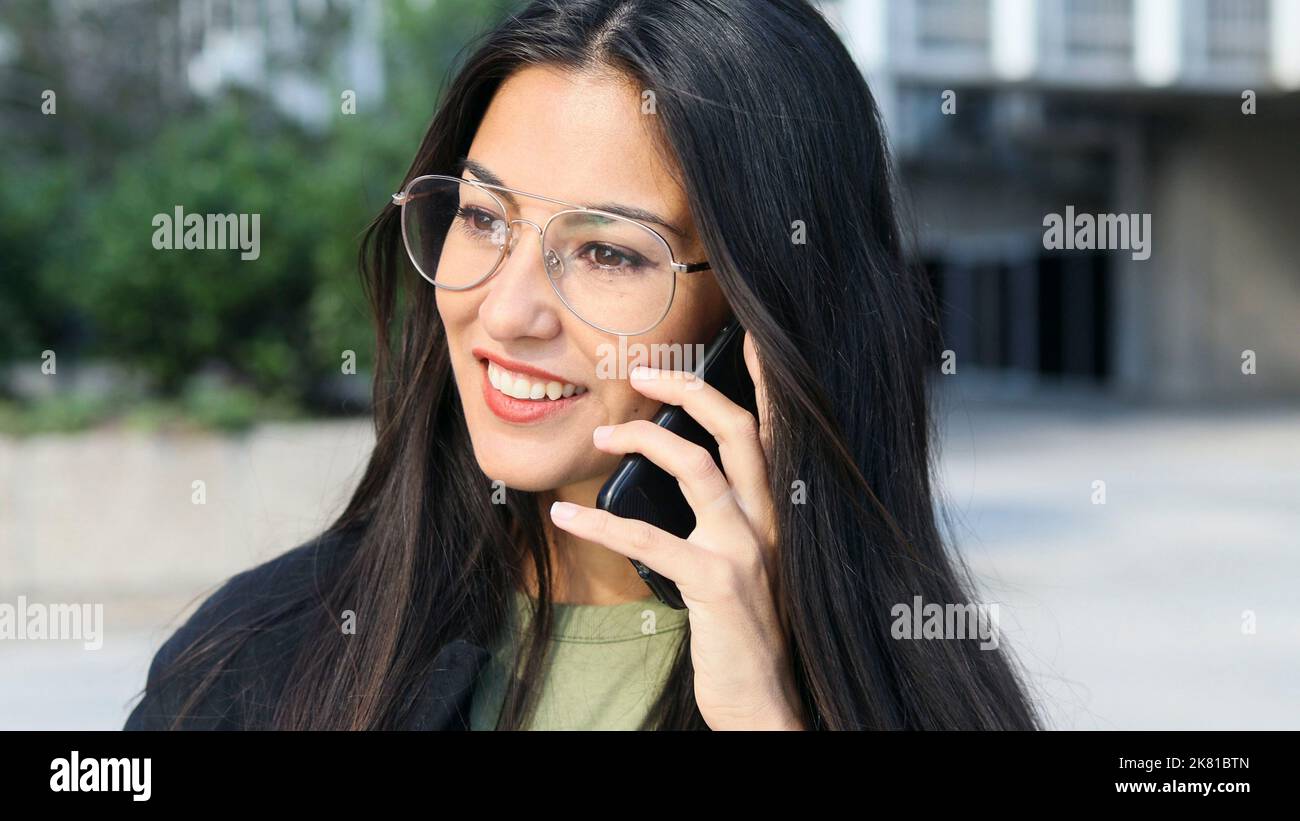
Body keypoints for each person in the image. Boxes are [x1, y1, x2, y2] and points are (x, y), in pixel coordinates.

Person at [126, 0, 1039, 731]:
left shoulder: (913, 690)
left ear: (764, 318)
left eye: (607, 253)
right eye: (482, 218)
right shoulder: (252, 662)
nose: (506, 311)